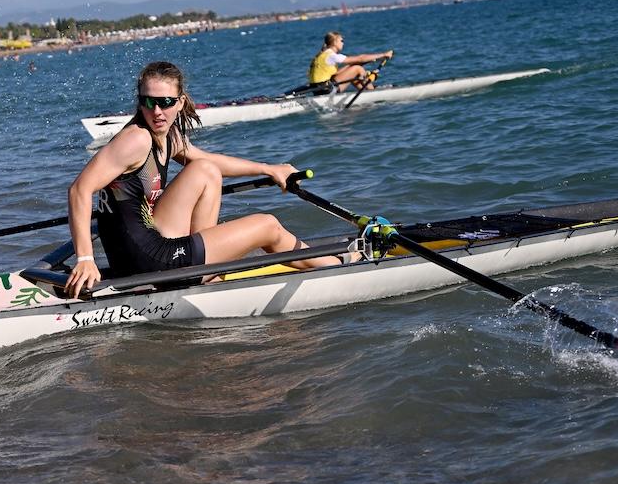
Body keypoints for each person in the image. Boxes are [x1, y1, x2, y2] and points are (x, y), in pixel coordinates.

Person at [65, 61, 356, 296]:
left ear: (180, 102)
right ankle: (340, 266)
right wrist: (85, 259)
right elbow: (80, 189)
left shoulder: (168, 137)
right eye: (148, 101)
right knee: (268, 226)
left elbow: (211, 160)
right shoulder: (136, 139)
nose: (157, 111)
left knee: (205, 170)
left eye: (165, 102)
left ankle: (205, 270)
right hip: (147, 262)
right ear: (139, 102)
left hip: (140, 250)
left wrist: (269, 169)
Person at [308, 31, 392, 94]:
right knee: (357, 69)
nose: (343, 43)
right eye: (341, 41)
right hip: (326, 90)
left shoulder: (321, 55)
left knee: (353, 69)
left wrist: (367, 61)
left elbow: (339, 73)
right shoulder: (332, 55)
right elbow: (360, 58)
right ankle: (373, 92)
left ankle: (365, 92)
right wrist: (384, 54)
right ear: (335, 42)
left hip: (317, 90)